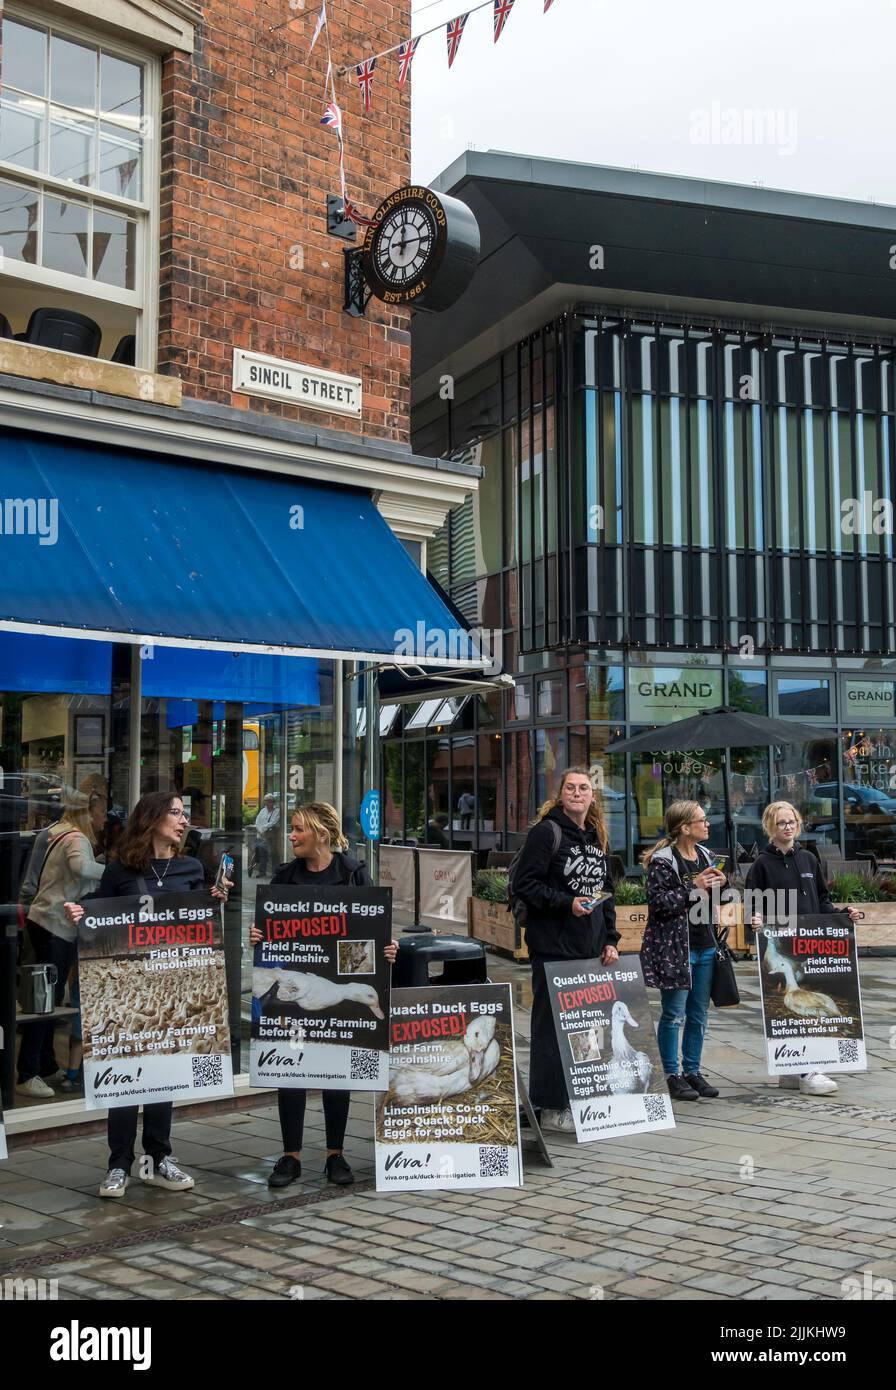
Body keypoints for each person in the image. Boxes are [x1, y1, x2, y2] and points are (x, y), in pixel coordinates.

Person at [65, 791, 230, 1198]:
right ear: (152, 819)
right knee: (126, 1075)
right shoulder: (120, 868)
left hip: (173, 988)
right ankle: (119, 1163)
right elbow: (102, 916)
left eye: (183, 814)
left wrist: (215, 902)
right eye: (175, 813)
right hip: (129, 990)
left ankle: (159, 1158)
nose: (182, 820)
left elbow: (199, 922)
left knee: (163, 1075)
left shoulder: (192, 867)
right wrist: (81, 913)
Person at [249, 801, 397, 1187]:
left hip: (334, 990)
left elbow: (372, 935)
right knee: (290, 1072)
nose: (292, 836)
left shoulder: (354, 877)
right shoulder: (284, 878)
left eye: (298, 829)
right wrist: (258, 937)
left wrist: (387, 949)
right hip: (297, 996)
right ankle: (289, 1156)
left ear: (322, 834)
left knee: (338, 1072)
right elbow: (270, 937)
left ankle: (336, 1155)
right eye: (293, 829)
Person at [510, 767, 619, 1133]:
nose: (577, 793)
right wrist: (566, 903)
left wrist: (611, 939)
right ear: (561, 794)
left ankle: (580, 1097)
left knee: (585, 1029)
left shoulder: (595, 836)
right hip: (553, 949)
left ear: (592, 796)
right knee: (549, 1030)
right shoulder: (547, 832)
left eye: (583, 788)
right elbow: (525, 884)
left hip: (588, 948)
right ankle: (549, 1104)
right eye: (570, 787)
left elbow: (607, 892)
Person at [746, 799, 859, 1097]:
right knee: (791, 1007)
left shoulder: (808, 859)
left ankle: (793, 1071)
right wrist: (754, 921)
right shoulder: (762, 865)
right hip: (781, 945)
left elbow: (821, 900)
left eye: (792, 822)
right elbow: (751, 905)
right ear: (771, 827)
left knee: (806, 999)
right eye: (782, 823)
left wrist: (842, 915)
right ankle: (807, 1070)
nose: (788, 827)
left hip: (808, 944)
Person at [16, 790, 106, 1099]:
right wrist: (114, 872)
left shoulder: (59, 833)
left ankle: (44, 1063)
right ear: (90, 813)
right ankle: (27, 1072)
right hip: (56, 924)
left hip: (44, 920)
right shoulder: (77, 839)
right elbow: (82, 868)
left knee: (47, 999)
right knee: (44, 1004)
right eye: (102, 813)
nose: (105, 820)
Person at [641, 801, 726, 1102]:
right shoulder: (663, 861)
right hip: (675, 950)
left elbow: (722, 899)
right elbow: (658, 904)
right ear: (685, 828)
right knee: (674, 1014)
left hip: (704, 944)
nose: (707, 825)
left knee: (699, 1014)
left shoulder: (707, 855)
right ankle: (671, 1074)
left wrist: (723, 885)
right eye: (702, 820)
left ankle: (692, 1070)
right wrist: (695, 888)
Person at [253, 792, 281, 876]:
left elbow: (273, 822)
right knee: (262, 852)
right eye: (266, 801)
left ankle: (274, 871)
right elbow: (257, 821)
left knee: (273, 853)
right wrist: (259, 829)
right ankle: (262, 872)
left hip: (271, 835)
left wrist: (263, 828)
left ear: (273, 802)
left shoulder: (277, 811)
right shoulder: (263, 811)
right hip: (262, 835)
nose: (268, 803)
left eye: (270, 801)